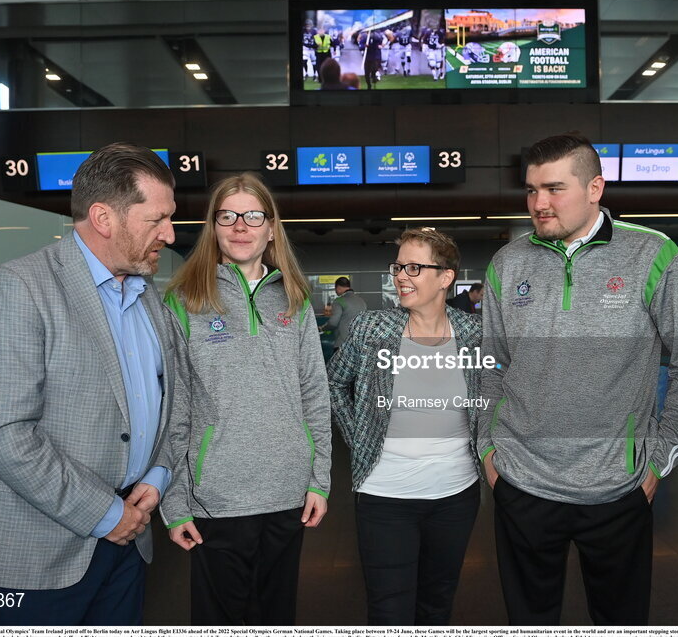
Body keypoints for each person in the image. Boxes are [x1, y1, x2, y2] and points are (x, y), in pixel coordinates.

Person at [479, 132, 678, 625]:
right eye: (530, 190)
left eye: (554, 189)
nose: (539, 204)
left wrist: (655, 462)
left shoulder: (651, 255)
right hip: (521, 481)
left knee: (620, 620)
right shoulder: (508, 263)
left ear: (595, 189)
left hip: (619, 486)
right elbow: (492, 366)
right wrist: (489, 452)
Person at [0, 142, 180, 625]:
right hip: (36, 556)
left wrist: (157, 477)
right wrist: (106, 513)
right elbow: (0, 433)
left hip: (129, 542)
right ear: (104, 218)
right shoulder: (19, 288)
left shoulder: (148, 299)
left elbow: (171, 405)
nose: (170, 232)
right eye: (157, 219)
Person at [160, 173, 331, 625]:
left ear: (271, 227)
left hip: (287, 492)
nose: (241, 226)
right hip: (216, 497)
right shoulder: (185, 299)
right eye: (228, 215)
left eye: (253, 215)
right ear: (213, 226)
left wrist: (319, 480)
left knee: (277, 618)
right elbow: (171, 411)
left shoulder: (294, 298)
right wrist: (174, 504)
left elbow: (315, 393)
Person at [327, 228, 483, 625]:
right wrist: (358, 434)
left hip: (456, 494)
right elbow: (333, 383)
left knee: (437, 604)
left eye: (414, 267)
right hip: (384, 496)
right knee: (389, 610)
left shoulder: (473, 335)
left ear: (446, 277)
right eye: (398, 266)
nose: (400, 276)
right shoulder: (372, 328)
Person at [321, 276, 367, 350]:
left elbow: (333, 323)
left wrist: (322, 328)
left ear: (338, 287)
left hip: (343, 344)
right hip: (359, 344)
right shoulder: (361, 301)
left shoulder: (339, 301)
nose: (335, 291)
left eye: (335, 289)